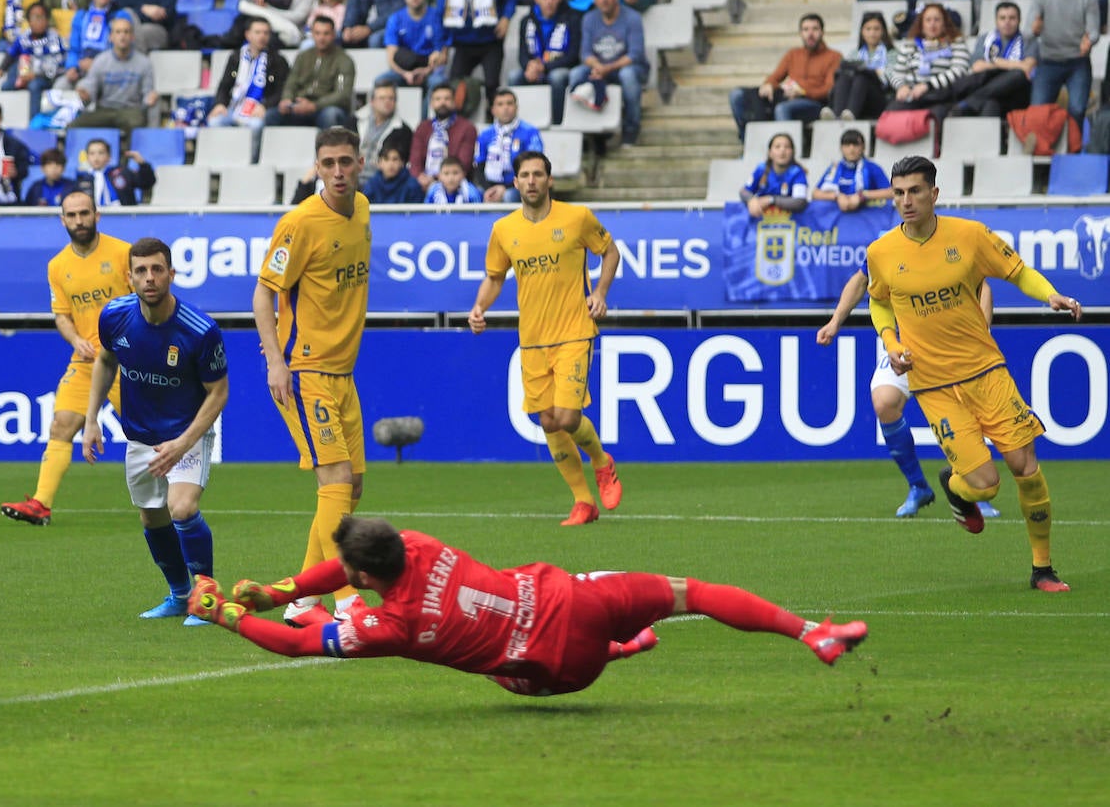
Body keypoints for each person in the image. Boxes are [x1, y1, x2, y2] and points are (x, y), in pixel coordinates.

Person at [189, 516, 869, 691]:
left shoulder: (390, 623)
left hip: (558, 669)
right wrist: (277, 588)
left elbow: (298, 643)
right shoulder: (418, 543)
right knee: (692, 594)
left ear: (366, 576)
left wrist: (230, 612)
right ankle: (814, 632)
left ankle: (620, 652)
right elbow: (345, 563)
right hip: (576, 599)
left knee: (501, 671)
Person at [867, 155, 1082, 591]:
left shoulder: (969, 236)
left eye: (914, 191)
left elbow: (1017, 272)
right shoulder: (882, 252)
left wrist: (1050, 295)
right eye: (898, 193)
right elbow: (879, 301)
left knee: (1026, 465)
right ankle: (955, 486)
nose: (905, 201)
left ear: (934, 194)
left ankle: (1042, 569)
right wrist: (892, 346)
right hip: (934, 385)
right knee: (985, 487)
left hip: (987, 371)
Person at [252, 125, 373, 626]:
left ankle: (302, 600)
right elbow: (263, 295)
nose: (339, 172)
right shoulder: (299, 223)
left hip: (344, 374)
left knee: (352, 487)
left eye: (346, 161)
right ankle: (347, 599)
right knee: (335, 480)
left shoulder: (363, 211)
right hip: (304, 373)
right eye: (329, 164)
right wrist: (275, 362)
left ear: (360, 162)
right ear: (317, 167)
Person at [82, 236, 228, 623]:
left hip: (186, 433)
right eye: (141, 271)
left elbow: (219, 392)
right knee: (152, 517)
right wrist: (92, 418)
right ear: (129, 277)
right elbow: (105, 361)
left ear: (172, 274)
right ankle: (180, 594)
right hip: (141, 436)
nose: (150, 278)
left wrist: (183, 443)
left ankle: (206, 595)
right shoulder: (114, 315)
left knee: (181, 508)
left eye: (157, 270)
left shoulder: (200, 331)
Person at [470, 151, 621, 525]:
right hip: (533, 339)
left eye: (538, 174)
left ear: (549, 180)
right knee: (549, 421)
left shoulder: (576, 218)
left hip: (574, 331)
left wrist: (600, 293)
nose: (532, 180)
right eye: (525, 175)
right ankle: (583, 502)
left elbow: (610, 251)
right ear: (516, 182)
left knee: (569, 417)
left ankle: (602, 461)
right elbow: (494, 276)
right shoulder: (504, 229)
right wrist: (479, 308)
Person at [819, 264, 1001, 520]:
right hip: (907, 346)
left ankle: (973, 487)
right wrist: (835, 321)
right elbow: (860, 280)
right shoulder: (887, 249)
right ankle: (918, 486)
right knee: (884, 402)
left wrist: (981, 332)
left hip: (950, 347)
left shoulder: (945, 244)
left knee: (965, 411)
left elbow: (983, 286)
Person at [2, 191, 130, 525]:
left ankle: (179, 499)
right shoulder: (58, 266)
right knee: (61, 424)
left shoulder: (122, 254)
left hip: (127, 360)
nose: (78, 221)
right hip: (86, 361)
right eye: (71, 215)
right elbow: (61, 315)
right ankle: (41, 504)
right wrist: (76, 339)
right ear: (62, 220)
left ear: (97, 215)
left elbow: (146, 301)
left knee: (149, 434)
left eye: (84, 214)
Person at [568, 0, 651, 147]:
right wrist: (599, 67)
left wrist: (607, 68)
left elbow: (635, 54)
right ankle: (587, 131)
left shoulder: (633, 18)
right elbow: (585, 53)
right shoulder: (589, 19)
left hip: (629, 68)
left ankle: (630, 130)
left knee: (628, 76)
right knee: (576, 73)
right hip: (601, 68)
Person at [728, 13, 841, 139]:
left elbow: (829, 89)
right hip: (785, 96)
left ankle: (787, 151)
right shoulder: (793, 54)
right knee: (737, 95)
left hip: (814, 103)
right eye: (805, 29)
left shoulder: (834, 56)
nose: (810, 34)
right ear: (800, 33)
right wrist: (769, 85)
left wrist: (803, 92)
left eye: (815, 29)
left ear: (822, 32)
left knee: (782, 109)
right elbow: (775, 77)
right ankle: (748, 142)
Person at [1030, 0, 1100, 141]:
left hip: (1077, 62)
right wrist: (1035, 29)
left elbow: (1093, 31)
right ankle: (1044, 155)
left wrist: (1089, 40)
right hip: (1048, 61)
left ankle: (1073, 153)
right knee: (1038, 112)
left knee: (1077, 109)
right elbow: (1029, 30)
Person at [440, 0, 516, 109]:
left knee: (492, 84)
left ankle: (494, 121)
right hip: (462, 43)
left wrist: (506, 18)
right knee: (454, 86)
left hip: (490, 41)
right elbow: (440, 16)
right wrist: (442, 47)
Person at [207, 16, 289, 162]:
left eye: (265, 33)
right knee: (215, 122)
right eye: (257, 32)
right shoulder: (236, 57)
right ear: (248, 35)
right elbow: (224, 86)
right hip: (235, 108)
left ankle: (250, 163)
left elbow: (282, 91)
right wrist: (219, 104)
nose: (262, 36)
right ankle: (224, 162)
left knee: (256, 125)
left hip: (258, 109)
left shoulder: (278, 60)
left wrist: (265, 106)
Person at [882, 2, 972, 122]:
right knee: (890, 114)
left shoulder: (956, 43)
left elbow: (958, 71)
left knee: (933, 119)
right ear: (921, 24)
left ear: (944, 23)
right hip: (912, 96)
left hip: (940, 97)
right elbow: (896, 73)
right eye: (928, 20)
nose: (932, 24)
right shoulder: (910, 44)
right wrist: (901, 87)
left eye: (937, 20)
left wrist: (927, 86)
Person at [72, 13, 158, 136]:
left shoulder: (144, 63)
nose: (122, 36)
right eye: (118, 32)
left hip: (131, 110)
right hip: (104, 110)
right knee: (74, 126)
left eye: (126, 32)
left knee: (136, 124)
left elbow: (147, 93)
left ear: (132, 37)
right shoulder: (101, 60)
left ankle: (129, 155)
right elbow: (91, 86)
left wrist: (149, 99)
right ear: (111, 37)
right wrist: (86, 94)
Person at [266, 17, 356, 132]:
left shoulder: (344, 60)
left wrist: (314, 105)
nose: (321, 38)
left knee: (330, 115)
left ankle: (327, 149)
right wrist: (287, 99)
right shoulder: (303, 57)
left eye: (326, 33)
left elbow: (342, 94)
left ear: (333, 35)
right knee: (271, 116)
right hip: (299, 105)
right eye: (317, 33)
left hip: (326, 107)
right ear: (312, 34)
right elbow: (291, 83)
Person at [948, 0, 1035, 118]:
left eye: (1012, 18)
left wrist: (996, 62)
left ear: (1019, 20)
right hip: (991, 92)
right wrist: (1009, 65)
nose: (1007, 22)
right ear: (996, 21)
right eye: (1002, 18)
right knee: (991, 103)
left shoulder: (1028, 40)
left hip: (1016, 94)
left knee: (1018, 75)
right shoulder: (985, 39)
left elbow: (1027, 68)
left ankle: (969, 102)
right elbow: (977, 67)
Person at [509, 0, 580, 124]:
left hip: (560, 68)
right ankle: (519, 123)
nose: (549, 2)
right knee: (514, 76)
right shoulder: (526, 21)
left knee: (557, 77)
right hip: (535, 68)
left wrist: (545, 67)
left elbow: (573, 56)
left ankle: (558, 123)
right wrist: (529, 66)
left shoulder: (572, 18)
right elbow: (522, 54)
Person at [380, 0, 449, 93]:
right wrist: (406, 74)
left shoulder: (437, 17)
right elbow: (391, 58)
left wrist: (425, 71)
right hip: (403, 70)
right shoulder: (395, 19)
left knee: (438, 82)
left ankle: (427, 112)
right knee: (381, 81)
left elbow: (442, 54)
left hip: (430, 69)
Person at [0, 1, 66, 119]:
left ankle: (33, 122)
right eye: (35, 17)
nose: (38, 20)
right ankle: (9, 120)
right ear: (29, 21)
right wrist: (1, 69)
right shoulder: (23, 38)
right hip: (24, 75)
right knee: (6, 85)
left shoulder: (54, 38)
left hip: (45, 77)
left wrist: (36, 74)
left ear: (47, 20)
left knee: (34, 86)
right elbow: (11, 53)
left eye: (42, 17)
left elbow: (58, 63)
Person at [475, 87, 543, 203]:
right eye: (500, 104)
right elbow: (479, 165)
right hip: (489, 184)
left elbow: (533, 167)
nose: (505, 108)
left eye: (509, 103)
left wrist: (505, 188)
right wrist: (488, 188)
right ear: (493, 110)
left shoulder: (530, 132)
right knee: (474, 194)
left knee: (509, 196)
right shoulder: (485, 134)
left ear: (516, 108)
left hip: (518, 186)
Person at [822, 11, 891, 121]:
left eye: (876, 29)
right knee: (844, 76)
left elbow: (893, 78)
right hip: (854, 96)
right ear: (862, 32)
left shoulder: (892, 53)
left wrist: (875, 72)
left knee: (862, 77)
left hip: (879, 98)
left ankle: (851, 114)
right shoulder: (854, 53)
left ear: (883, 31)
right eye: (868, 29)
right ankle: (837, 114)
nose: (872, 33)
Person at [409, 82, 477, 193]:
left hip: (453, 181)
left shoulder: (467, 127)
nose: (442, 102)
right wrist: (420, 177)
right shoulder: (423, 127)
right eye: (438, 99)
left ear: (454, 102)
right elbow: (415, 159)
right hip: (423, 181)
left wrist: (436, 178)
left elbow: (464, 162)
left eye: (447, 99)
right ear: (431, 103)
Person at [810, 129, 889, 211]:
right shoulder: (834, 168)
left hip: (867, 218)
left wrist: (862, 196)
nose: (851, 149)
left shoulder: (872, 168)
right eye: (847, 145)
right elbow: (815, 193)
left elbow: (891, 192)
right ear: (841, 148)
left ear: (863, 147)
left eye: (856, 145)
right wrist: (837, 196)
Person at [740, 131, 807, 218]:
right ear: (770, 153)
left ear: (792, 152)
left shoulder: (797, 172)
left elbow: (800, 202)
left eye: (787, 147)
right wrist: (751, 200)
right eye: (777, 147)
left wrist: (771, 200)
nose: (782, 150)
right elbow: (744, 191)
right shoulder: (761, 169)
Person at [356, 80, 413, 180]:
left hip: (380, 182)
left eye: (391, 98)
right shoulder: (355, 121)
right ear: (372, 101)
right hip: (353, 178)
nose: (387, 101)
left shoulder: (404, 131)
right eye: (382, 98)